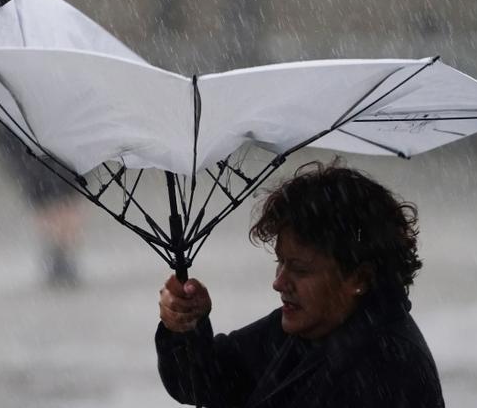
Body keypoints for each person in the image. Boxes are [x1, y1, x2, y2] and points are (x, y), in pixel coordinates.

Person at [155, 159, 445, 407]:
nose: (279, 283)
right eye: (280, 262)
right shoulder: (309, 329)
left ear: (359, 278)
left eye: (300, 269)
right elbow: (201, 382)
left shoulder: (389, 369)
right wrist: (185, 327)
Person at [0, 126, 85, 287]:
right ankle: (59, 251)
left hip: (37, 137)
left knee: (54, 197)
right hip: (49, 136)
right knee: (53, 197)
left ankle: (59, 251)